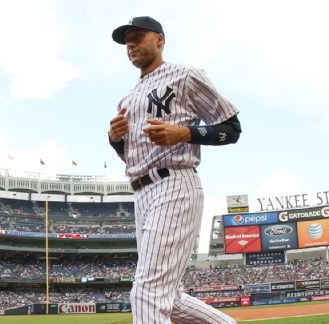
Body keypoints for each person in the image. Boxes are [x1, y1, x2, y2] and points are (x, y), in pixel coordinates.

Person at [108, 16, 241, 324]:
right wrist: (115, 140)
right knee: (170, 298)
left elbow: (231, 129)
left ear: (159, 39)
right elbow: (129, 157)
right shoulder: (127, 98)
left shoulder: (184, 75)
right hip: (141, 192)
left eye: (137, 36)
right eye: (127, 41)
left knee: (147, 293)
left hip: (174, 183)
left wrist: (185, 134)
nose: (130, 44)